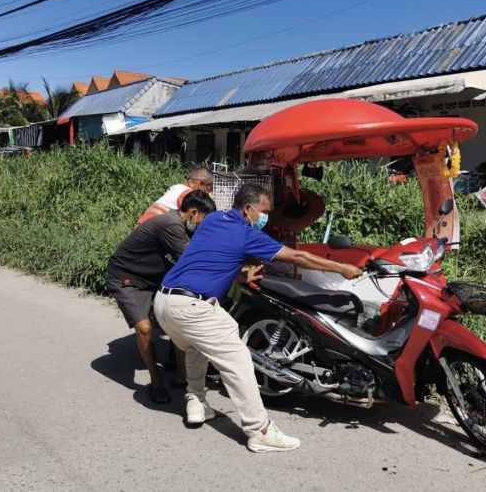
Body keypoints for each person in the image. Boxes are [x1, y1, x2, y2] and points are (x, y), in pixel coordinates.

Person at [154, 183, 363, 452]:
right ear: (248, 209)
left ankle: (196, 403)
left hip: (165, 302)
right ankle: (260, 430)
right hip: (193, 307)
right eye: (264, 212)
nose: (266, 217)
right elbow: (297, 256)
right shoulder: (245, 234)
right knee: (239, 361)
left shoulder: (215, 218)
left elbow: (210, 256)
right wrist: (341, 267)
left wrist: (240, 274)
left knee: (198, 345)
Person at [106, 190, 217, 404]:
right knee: (145, 329)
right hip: (127, 278)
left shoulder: (180, 224)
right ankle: (156, 382)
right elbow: (189, 260)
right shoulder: (171, 224)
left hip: (153, 276)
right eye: (203, 219)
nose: (203, 225)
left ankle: (181, 377)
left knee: (175, 317)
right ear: (193, 212)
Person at [136, 168, 214, 227]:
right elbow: (193, 219)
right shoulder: (188, 194)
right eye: (207, 191)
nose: (206, 194)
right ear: (201, 184)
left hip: (142, 225)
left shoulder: (176, 187)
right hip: (153, 230)